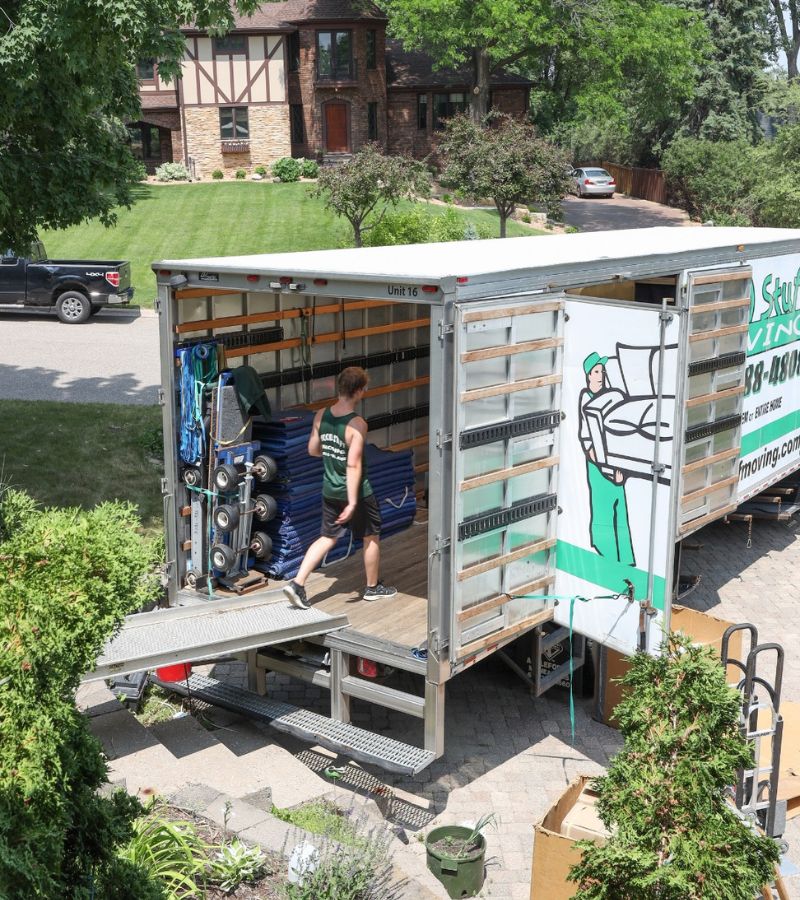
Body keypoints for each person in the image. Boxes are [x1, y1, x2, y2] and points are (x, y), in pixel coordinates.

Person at [283, 366, 397, 609]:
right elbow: (354, 465)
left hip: (330, 489)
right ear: (358, 391)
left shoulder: (321, 415)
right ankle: (372, 588)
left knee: (327, 537)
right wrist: (354, 501)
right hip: (357, 492)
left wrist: (333, 450)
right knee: (371, 536)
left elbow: (313, 449)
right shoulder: (357, 424)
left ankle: (297, 584)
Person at [578, 351, 635, 566]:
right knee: (603, 509)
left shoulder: (611, 395)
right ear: (588, 375)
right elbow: (586, 441)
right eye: (596, 371)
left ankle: (626, 559)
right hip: (598, 465)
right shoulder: (586, 398)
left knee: (620, 509)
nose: (600, 375)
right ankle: (608, 557)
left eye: (602, 371)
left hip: (615, 464)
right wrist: (603, 468)